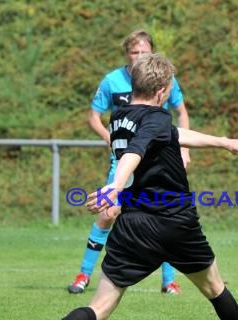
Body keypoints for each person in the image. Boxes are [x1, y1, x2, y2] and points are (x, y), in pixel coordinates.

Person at [11, 53, 238, 320]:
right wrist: (114, 186)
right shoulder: (156, 119)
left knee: (100, 307)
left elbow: (172, 136)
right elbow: (137, 151)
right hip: (175, 221)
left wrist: (223, 142)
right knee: (215, 288)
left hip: (133, 225)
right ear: (162, 91)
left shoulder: (120, 118)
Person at [68, 29, 190, 295]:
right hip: (124, 160)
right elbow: (94, 116)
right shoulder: (112, 81)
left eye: (144, 52)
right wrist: (109, 136)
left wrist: (184, 149)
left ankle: (169, 281)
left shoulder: (165, 79)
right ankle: (83, 275)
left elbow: (181, 112)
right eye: (134, 52)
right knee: (107, 213)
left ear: (152, 53)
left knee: (165, 212)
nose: (139, 57)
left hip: (158, 160)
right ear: (127, 54)